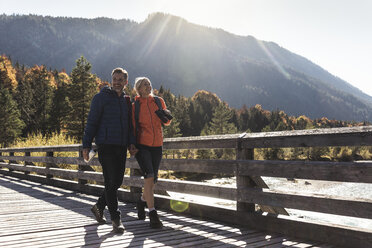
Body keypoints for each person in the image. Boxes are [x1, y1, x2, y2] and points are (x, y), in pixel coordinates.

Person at [82, 67, 137, 233]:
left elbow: (129, 125)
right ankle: (116, 219)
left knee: (117, 181)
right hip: (105, 145)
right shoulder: (100, 98)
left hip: (121, 145)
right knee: (109, 180)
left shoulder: (127, 101)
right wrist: (86, 145)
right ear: (111, 80)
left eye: (120, 79)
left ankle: (99, 206)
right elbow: (91, 123)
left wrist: (131, 143)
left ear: (126, 82)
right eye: (115, 79)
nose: (117, 82)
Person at [132, 77, 171, 229]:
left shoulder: (158, 101)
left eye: (149, 83)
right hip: (142, 146)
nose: (148, 86)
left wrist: (165, 117)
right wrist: (132, 145)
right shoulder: (135, 106)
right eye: (144, 85)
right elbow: (133, 127)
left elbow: (166, 122)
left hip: (157, 145)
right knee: (149, 177)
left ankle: (142, 201)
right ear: (138, 89)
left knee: (152, 180)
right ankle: (153, 214)